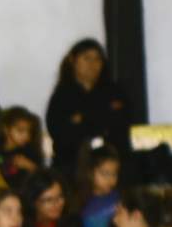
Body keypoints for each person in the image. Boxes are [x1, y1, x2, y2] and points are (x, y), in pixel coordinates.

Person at [45, 39, 132, 178]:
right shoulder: (62, 97)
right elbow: (62, 134)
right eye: (86, 58)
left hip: (114, 165)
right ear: (72, 60)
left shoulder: (115, 92)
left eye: (98, 59)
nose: (93, 64)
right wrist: (102, 114)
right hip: (72, 167)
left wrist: (82, 118)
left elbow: (121, 124)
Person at [0, 106, 44, 191]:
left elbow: (44, 177)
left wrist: (30, 166)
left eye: (29, 131)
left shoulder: (30, 152)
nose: (26, 136)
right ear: (6, 129)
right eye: (20, 130)